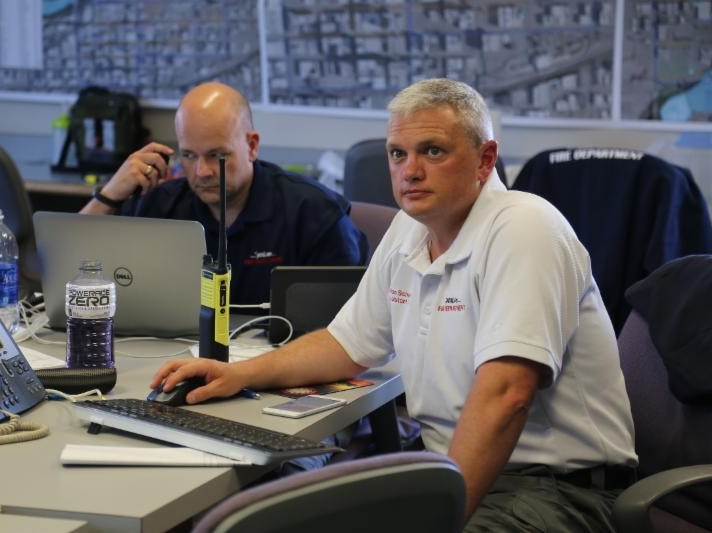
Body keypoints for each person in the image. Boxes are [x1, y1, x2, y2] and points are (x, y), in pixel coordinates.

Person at [148, 78, 637, 531]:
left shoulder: (525, 228)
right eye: (397, 154)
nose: (410, 171)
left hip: (554, 490)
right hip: (443, 469)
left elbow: (507, 395)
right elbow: (346, 344)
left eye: (432, 151)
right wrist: (238, 374)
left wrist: (436, 516)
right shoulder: (411, 230)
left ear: (485, 159)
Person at [81, 82, 366, 306]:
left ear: (252, 146)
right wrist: (109, 194)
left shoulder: (314, 213)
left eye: (217, 155)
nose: (202, 172)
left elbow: (343, 331)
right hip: (172, 360)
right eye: (189, 156)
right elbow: (73, 270)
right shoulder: (160, 205)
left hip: (278, 367)